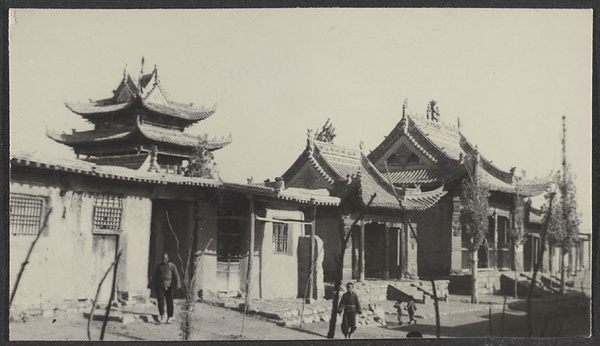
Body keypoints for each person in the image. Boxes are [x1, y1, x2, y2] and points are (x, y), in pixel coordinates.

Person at [154, 253, 181, 324]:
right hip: (161, 285)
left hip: (169, 286)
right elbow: (155, 277)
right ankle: (162, 315)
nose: (164, 260)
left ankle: (170, 316)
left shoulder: (172, 266)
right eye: (163, 258)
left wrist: (178, 284)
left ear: (168, 258)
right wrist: (154, 286)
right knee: (160, 301)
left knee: (169, 302)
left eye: (165, 258)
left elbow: (177, 276)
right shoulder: (159, 267)